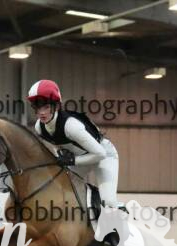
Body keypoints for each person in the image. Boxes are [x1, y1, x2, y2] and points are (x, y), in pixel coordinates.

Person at [27, 80, 120, 208]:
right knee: (59, 194)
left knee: (108, 202)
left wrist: (72, 160)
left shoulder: (70, 126)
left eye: (46, 107)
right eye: (38, 108)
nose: (42, 112)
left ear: (56, 106)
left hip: (104, 156)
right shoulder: (39, 127)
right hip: (81, 159)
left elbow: (100, 154)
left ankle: (126, 216)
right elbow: (56, 145)